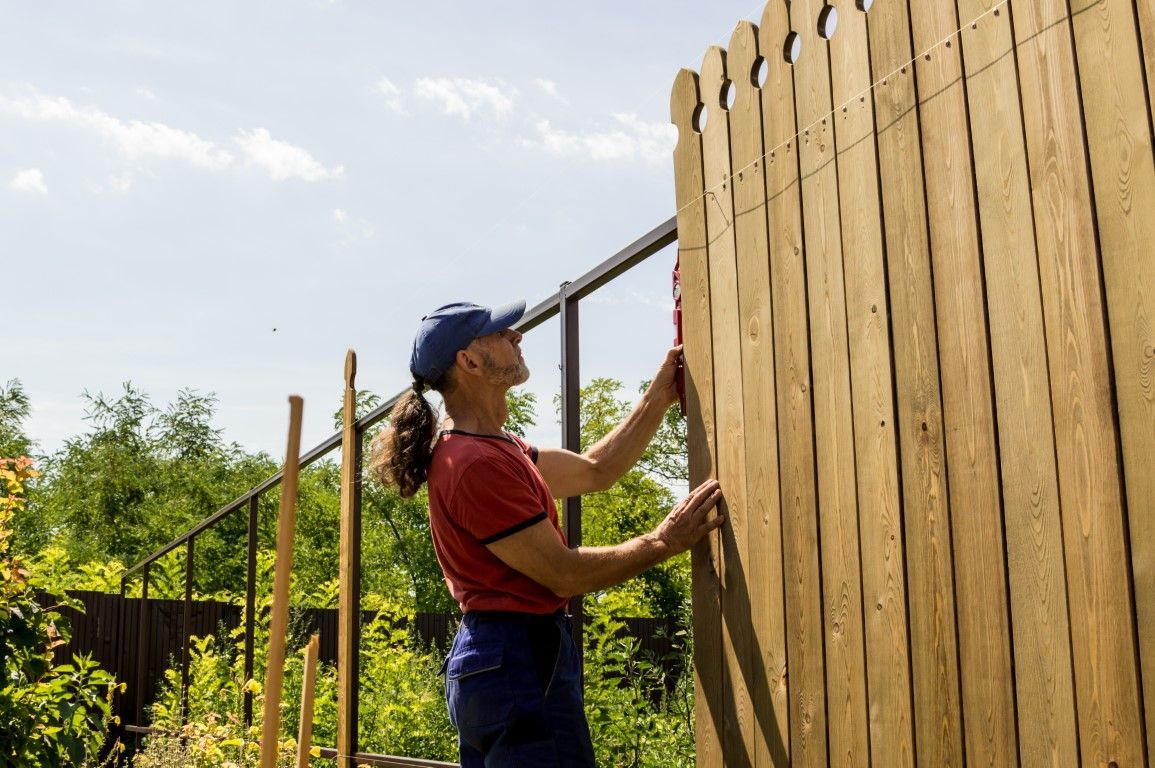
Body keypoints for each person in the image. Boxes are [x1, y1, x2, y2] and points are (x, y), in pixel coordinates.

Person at [369, 299, 724, 767]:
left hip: (507, 657)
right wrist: (663, 541)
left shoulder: (499, 447)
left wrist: (659, 392)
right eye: (500, 333)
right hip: (515, 656)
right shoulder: (475, 465)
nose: (516, 337)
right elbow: (562, 573)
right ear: (469, 361)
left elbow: (597, 470)